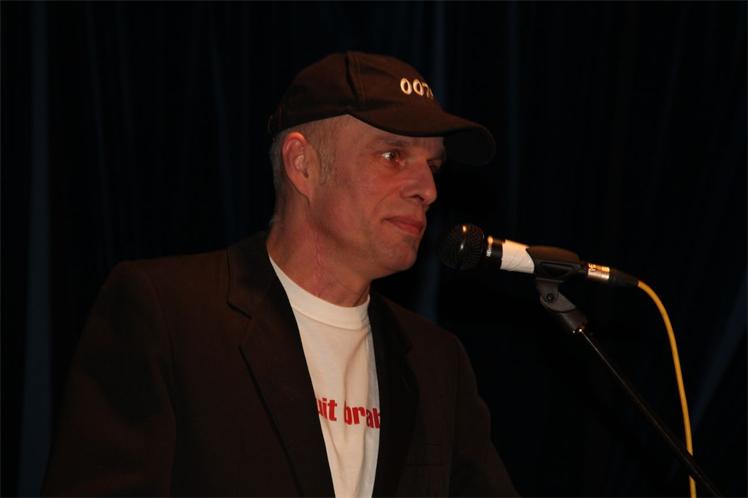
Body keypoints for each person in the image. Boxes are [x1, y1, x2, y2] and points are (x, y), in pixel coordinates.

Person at [42, 51, 518, 497]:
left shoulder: (437, 363)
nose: (428, 189)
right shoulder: (169, 316)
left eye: (433, 166)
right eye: (393, 155)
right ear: (302, 164)